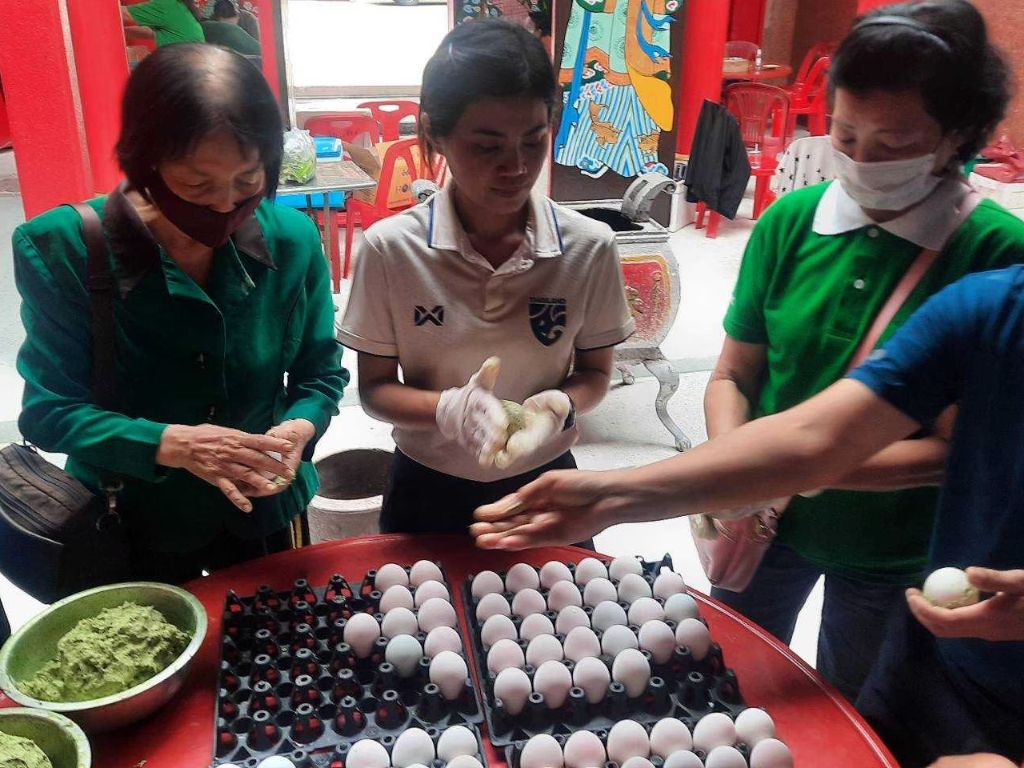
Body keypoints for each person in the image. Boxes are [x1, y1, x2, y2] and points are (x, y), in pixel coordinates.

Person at [471, 262, 1024, 764]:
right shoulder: (992, 307)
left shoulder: (992, 256)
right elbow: (815, 440)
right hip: (936, 654)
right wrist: (612, 495)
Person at [702, 0, 1015, 702]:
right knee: (730, 680)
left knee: (855, 708)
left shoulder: (995, 255)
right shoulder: (789, 223)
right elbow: (734, 374)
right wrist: (735, 470)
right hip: (765, 528)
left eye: (896, 143)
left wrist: (795, 464)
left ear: (958, 136)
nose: (864, 161)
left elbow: (958, 451)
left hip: (894, 551)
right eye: (844, 135)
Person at [13, 44, 348, 584]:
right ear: (145, 162)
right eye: (197, 184)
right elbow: (49, 412)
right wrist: (174, 445)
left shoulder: (293, 239)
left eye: (248, 179)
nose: (225, 204)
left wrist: (300, 426)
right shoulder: (64, 247)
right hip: (135, 525)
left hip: (262, 514)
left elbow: (320, 372)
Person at [336, 20, 634, 536]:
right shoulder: (392, 249)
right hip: (425, 486)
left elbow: (596, 374)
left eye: (533, 141)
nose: (516, 167)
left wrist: (559, 405)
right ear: (435, 134)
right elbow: (376, 390)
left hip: (546, 483)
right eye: (487, 146)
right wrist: (449, 409)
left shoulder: (589, 247)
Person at [121, 0, 204, 48]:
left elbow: (121, 15)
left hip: (173, 69)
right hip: (188, 70)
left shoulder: (170, 5)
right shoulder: (185, 11)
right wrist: (120, 31)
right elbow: (150, 32)